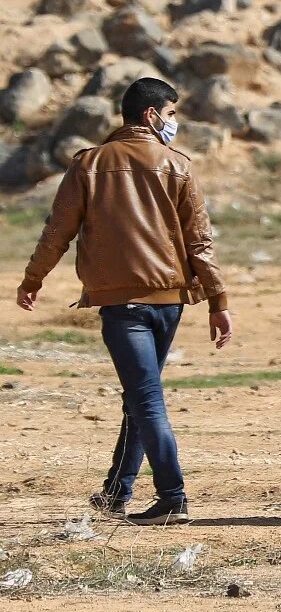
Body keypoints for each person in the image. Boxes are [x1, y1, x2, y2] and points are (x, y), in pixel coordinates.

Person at [15, 78, 233, 525]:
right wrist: (217, 300)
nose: (175, 123)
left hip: (124, 304)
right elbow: (201, 243)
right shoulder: (178, 166)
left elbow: (58, 231)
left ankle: (173, 497)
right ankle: (117, 491)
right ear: (151, 115)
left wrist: (33, 278)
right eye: (172, 114)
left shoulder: (89, 165)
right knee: (139, 395)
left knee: (145, 398)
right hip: (170, 302)